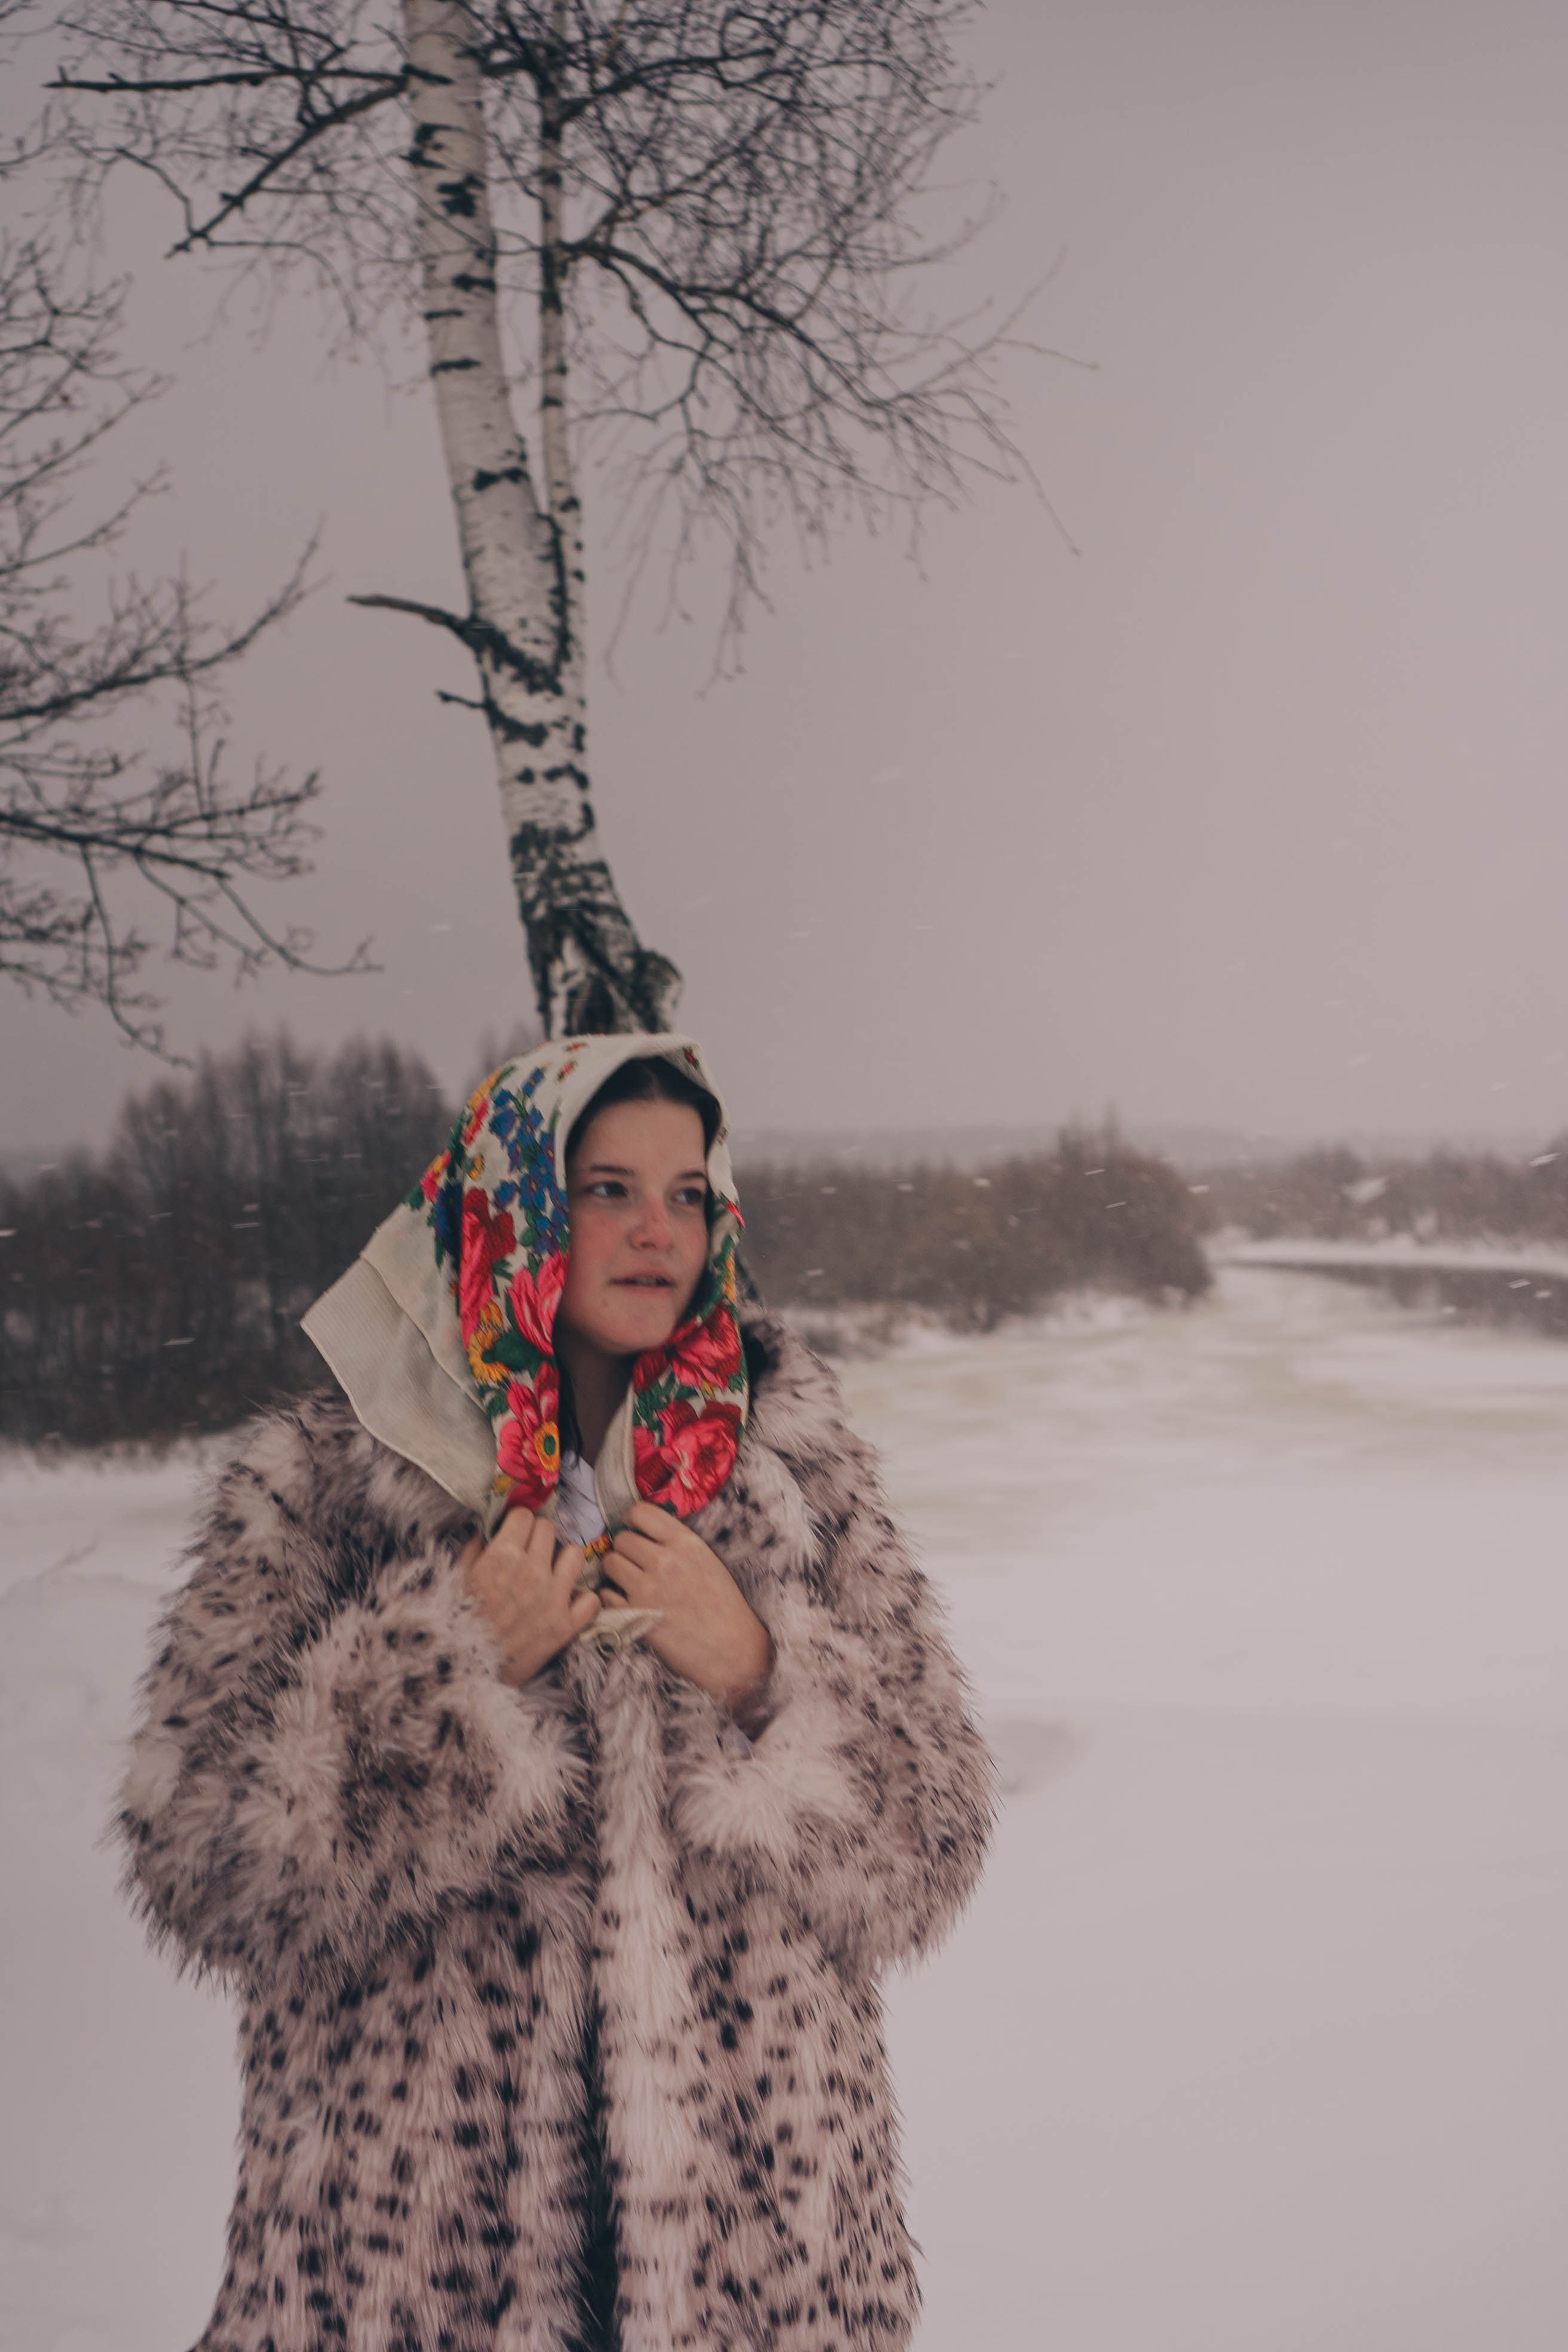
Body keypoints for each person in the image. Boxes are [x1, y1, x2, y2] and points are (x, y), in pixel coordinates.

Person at [116, 1031, 995, 2352]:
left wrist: (759, 1675)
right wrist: (448, 1669)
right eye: (607, 1188)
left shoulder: (787, 1470)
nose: (658, 1230)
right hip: (403, 2261)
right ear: (511, 1202)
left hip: (757, 2263)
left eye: (688, 1193)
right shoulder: (328, 1480)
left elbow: (931, 1848)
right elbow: (200, 1863)